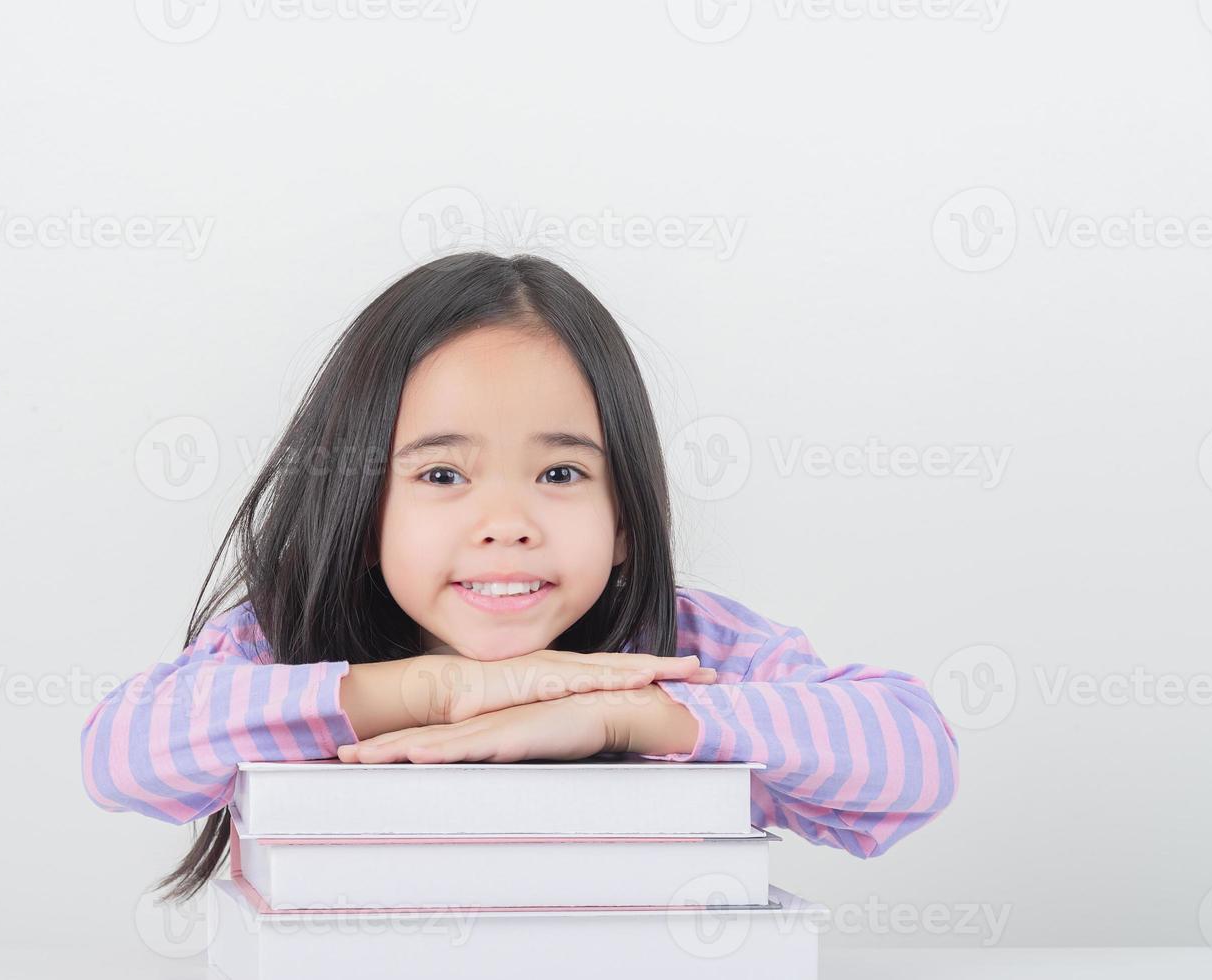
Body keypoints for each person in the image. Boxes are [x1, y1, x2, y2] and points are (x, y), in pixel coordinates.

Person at [80, 251, 959, 901]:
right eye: (442, 476)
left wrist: (618, 712)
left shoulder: (682, 649)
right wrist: (435, 692)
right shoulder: (284, 645)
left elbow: (914, 757)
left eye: (562, 474)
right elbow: (122, 757)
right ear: (362, 514)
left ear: (625, 519)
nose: (507, 524)